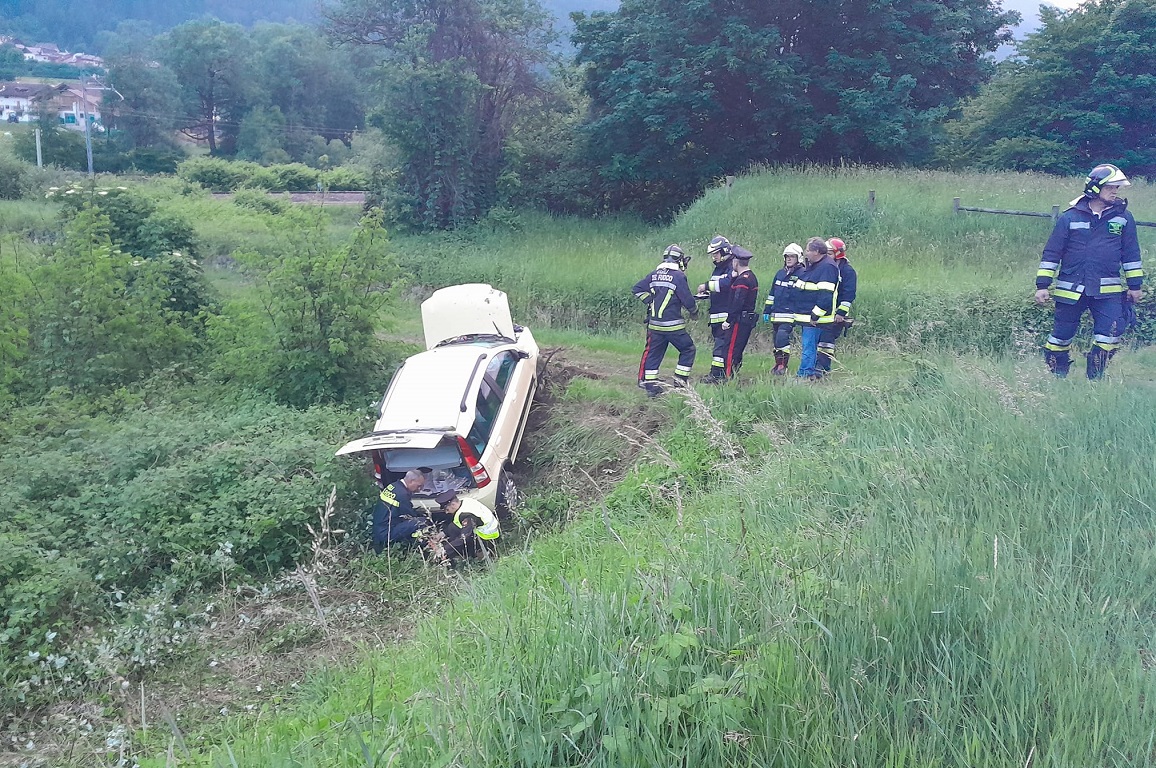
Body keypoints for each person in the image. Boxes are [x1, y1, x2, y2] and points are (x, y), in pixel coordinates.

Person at [1036, 164, 1144, 379]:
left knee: (1111, 335)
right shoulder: (1069, 218)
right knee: (1060, 339)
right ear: (1095, 188)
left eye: (1116, 188)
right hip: (1070, 290)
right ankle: (1058, 377)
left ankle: (1095, 378)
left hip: (1108, 291)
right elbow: (1052, 253)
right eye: (1110, 188)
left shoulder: (1123, 218)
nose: (1115, 192)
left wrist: (1135, 286)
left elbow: (1131, 254)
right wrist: (1042, 286)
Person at [633, 244, 699, 397]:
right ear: (679, 260)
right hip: (673, 326)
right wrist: (694, 312)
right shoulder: (679, 276)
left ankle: (651, 387)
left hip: (655, 326)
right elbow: (687, 299)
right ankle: (680, 382)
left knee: (654, 353)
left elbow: (637, 289)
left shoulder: (654, 274)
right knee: (688, 349)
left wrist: (650, 300)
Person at [705, 245, 758, 381]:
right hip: (746, 319)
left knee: (730, 350)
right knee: (737, 350)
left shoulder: (742, 280)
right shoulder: (751, 277)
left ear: (736, 261)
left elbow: (737, 302)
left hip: (739, 320)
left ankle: (728, 378)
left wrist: (729, 320)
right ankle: (732, 375)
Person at [795, 238, 840, 380]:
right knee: (809, 348)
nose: (806, 253)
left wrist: (815, 316)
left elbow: (825, 296)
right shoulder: (815, 265)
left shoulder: (827, 267)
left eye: (808, 250)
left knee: (809, 349)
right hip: (809, 316)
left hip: (816, 319)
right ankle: (810, 373)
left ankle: (804, 375)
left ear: (816, 251)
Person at [815, 237, 858, 377]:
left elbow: (848, 294)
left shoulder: (847, 271)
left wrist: (840, 313)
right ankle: (816, 369)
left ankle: (821, 370)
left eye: (829, 253)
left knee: (826, 343)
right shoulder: (826, 268)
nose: (826, 256)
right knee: (817, 342)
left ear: (837, 254)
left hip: (835, 315)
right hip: (822, 311)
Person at [763, 243, 804, 375]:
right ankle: (777, 364)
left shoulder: (802, 274)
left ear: (799, 258)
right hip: (776, 314)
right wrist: (767, 310)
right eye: (787, 256)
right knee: (776, 341)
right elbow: (772, 293)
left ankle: (783, 366)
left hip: (790, 315)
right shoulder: (780, 273)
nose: (789, 259)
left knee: (782, 338)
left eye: (792, 256)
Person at [698, 235, 735, 382]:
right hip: (716, 313)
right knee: (719, 345)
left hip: (725, 314)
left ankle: (717, 374)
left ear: (724, 251)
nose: (714, 257)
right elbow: (719, 287)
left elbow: (727, 284)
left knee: (721, 345)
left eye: (716, 254)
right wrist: (707, 292)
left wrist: (706, 286)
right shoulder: (718, 268)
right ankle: (717, 373)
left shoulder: (731, 266)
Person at [431, 489, 500, 565]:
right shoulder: (465, 501)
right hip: (485, 529)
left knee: (463, 539)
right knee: (452, 527)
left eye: (447, 509)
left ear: (453, 504)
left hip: (487, 538)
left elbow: (463, 538)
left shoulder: (467, 515)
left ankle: (480, 555)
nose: (446, 512)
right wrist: (442, 534)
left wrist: (444, 549)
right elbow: (456, 524)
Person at [372, 468, 428, 554]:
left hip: (378, 528)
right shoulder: (403, 495)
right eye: (418, 486)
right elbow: (409, 515)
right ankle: (417, 547)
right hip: (387, 532)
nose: (419, 489)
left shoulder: (393, 486)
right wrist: (424, 517)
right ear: (411, 481)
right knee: (421, 522)